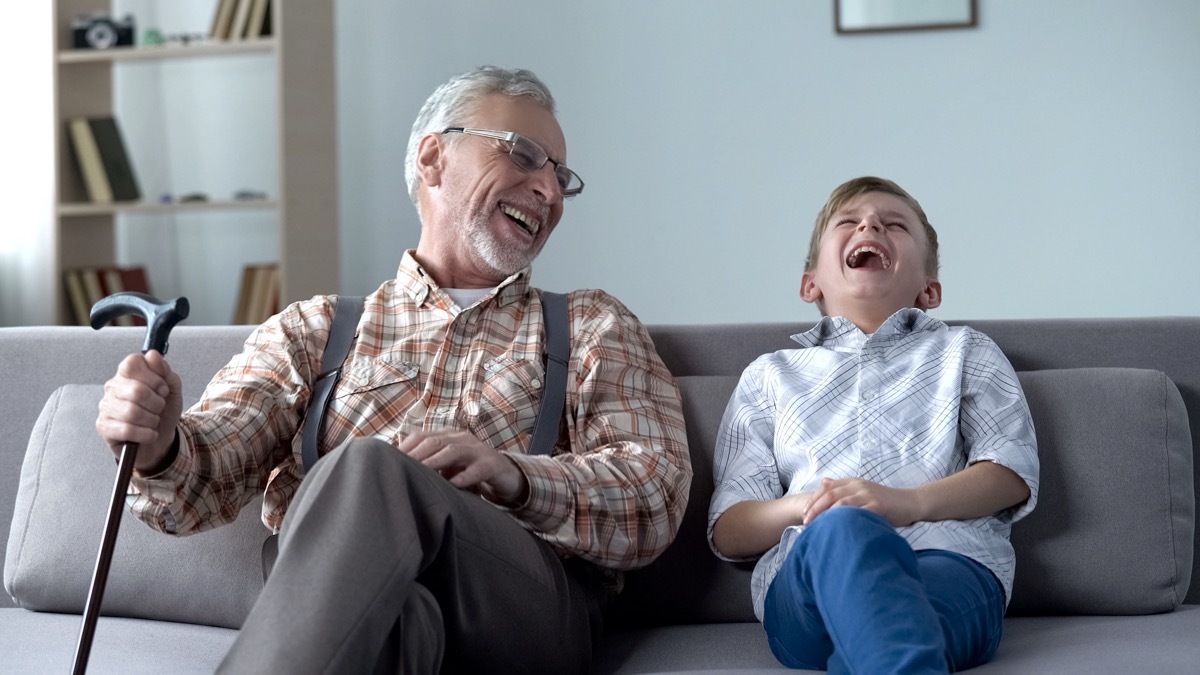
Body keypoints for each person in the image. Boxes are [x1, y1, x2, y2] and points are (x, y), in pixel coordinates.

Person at [96, 65, 691, 674]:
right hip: (345, 609)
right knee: (401, 623)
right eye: (525, 156)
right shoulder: (316, 328)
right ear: (434, 158)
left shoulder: (591, 324)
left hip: (521, 604)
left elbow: (655, 494)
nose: (550, 191)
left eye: (560, 176)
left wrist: (514, 476)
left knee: (372, 464)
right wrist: (158, 443)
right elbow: (199, 483)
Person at [707, 176, 1039, 673]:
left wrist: (906, 503)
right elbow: (731, 527)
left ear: (930, 289)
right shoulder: (770, 376)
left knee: (886, 636)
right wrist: (820, 506)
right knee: (845, 532)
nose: (870, 224)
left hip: (947, 563)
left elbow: (1010, 471)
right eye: (849, 221)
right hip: (812, 576)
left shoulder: (966, 351)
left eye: (895, 224)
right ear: (810, 283)